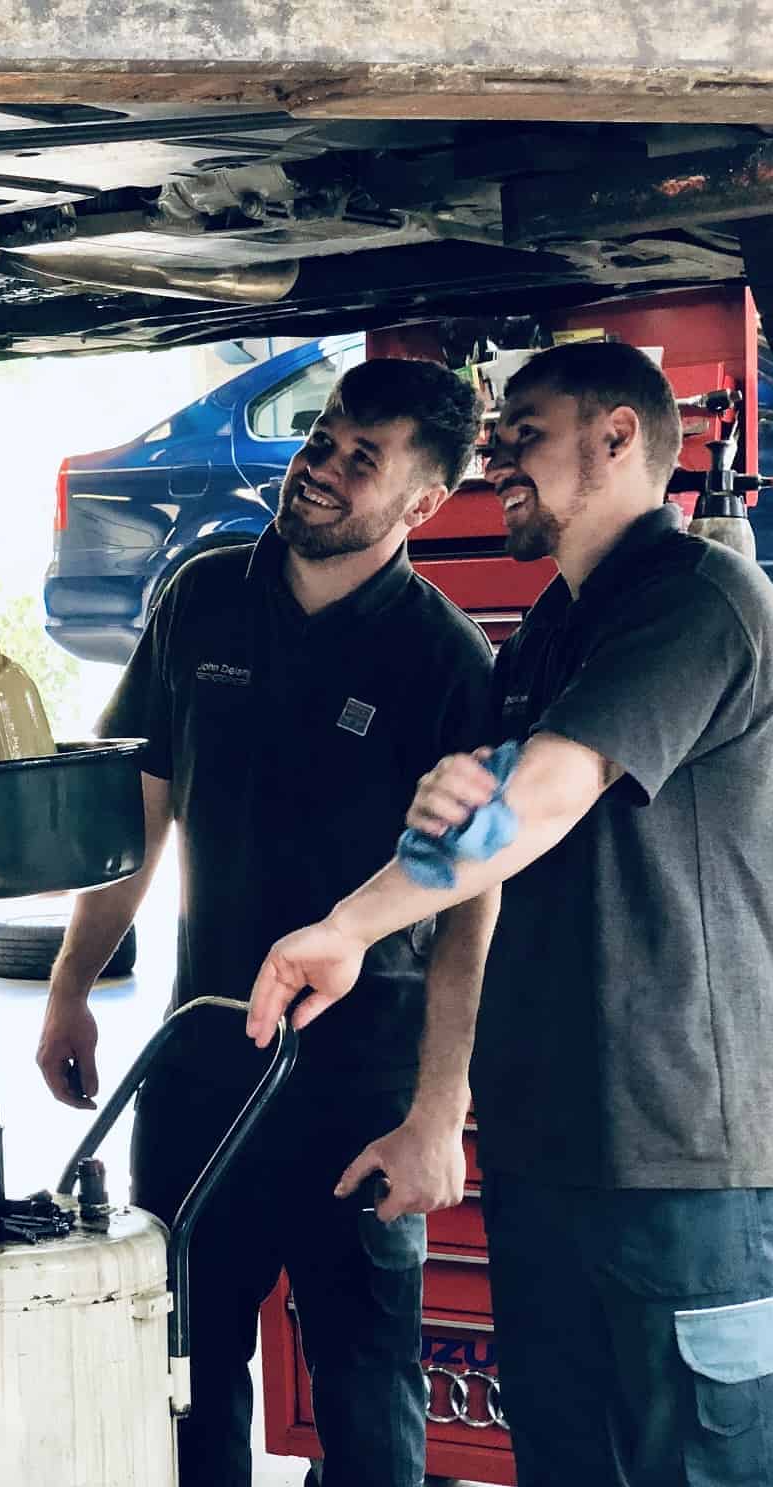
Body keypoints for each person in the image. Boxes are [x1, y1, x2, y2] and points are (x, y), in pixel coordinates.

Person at [246, 340, 773, 1487]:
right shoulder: (544, 632)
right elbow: (476, 862)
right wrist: (444, 1097)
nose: (495, 460)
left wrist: (351, 919)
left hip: (682, 1159)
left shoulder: (698, 601)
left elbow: (536, 800)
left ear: (617, 435)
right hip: (547, 1152)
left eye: (521, 432)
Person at [36, 357, 497, 1487]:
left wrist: (440, 1108)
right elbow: (138, 813)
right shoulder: (201, 594)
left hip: (360, 1085)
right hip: (201, 1058)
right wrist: (67, 987)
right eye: (322, 437)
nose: (321, 468)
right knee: (180, 1362)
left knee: (361, 1380)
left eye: (360, 458)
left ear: (421, 502)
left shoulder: (444, 657)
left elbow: (470, 903)